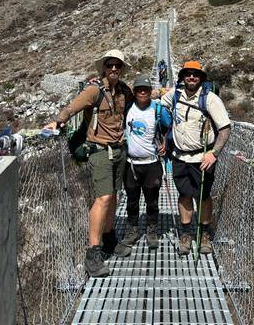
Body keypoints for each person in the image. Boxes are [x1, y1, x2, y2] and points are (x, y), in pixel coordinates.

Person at [43, 49, 133, 277]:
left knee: (113, 196)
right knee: (102, 198)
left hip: (119, 151)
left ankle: (110, 238)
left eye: (118, 65)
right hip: (100, 152)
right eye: (110, 64)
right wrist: (57, 122)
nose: (114, 68)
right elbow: (71, 107)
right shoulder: (93, 90)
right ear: (104, 67)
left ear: (122, 69)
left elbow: (142, 101)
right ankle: (93, 253)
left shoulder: (123, 91)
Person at [161, 60, 231, 255]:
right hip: (179, 157)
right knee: (184, 195)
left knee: (203, 196)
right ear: (183, 76)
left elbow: (225, 129)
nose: (191, 77)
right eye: (188, 73)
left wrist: (214, 153)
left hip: (202, 158)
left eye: (196, 74)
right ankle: (186, 234)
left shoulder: (210, 99)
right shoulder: (175, 95)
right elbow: (155, 101)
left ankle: (204, 234)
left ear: (201, 78)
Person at [114, 74, 171, 257]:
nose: (142, 92)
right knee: (131, 200)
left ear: (150, 91)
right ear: (135, 91)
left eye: (145, 89)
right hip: (131, 164)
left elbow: (169, 127)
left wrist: (166, 144)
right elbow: (115, 88)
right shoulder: (128, 107)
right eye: (139, 89)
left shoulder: (157, 109)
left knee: (152, 200)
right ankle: (132, 230)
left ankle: (151, 229)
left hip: (152, 163)